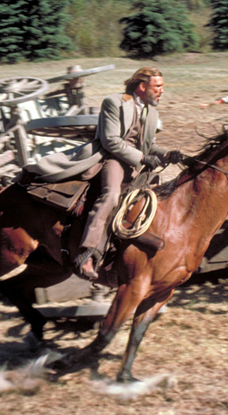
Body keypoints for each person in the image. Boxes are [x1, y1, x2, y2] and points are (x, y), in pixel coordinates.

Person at [22, 66, 183, 280]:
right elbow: (111, 141)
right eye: (158, 86)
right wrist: (142, 158)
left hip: (135, 162)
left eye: (161, 87)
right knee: (111, 196)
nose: (161, 91)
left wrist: (167, 154)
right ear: (142, 86)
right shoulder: (114, 102)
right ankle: (87, 253)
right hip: (111, 158)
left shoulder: (151, 111)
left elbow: (149, 145)